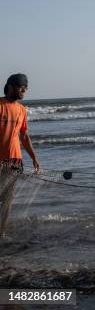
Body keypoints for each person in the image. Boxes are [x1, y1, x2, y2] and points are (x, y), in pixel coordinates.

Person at [1, 74, 40, 239]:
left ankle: (1, 233)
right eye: (20, 86)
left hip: (15, 160)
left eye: (25, 87)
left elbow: (24, 136)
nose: (23, 90)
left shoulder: (22, 110)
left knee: (7, 199)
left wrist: (34, 157)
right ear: (10, 87)